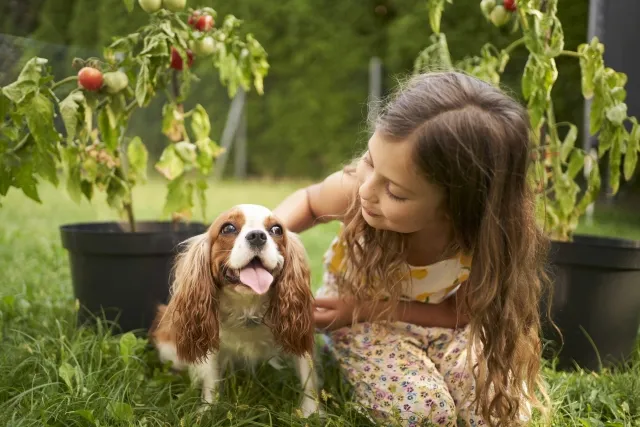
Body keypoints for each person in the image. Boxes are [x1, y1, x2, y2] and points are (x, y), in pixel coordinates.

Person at [273, 71, 550, 427]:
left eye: (397, 193)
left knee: (502, 416)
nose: (367, 191)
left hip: (441, 325)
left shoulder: (481, 236)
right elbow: (310, 201)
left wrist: (377, 307)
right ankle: (344, 358)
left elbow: (460, 314)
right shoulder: (360, 191)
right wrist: (264, 230)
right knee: (425, 413)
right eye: (371, 161)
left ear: (457, 207)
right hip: (355, 317)